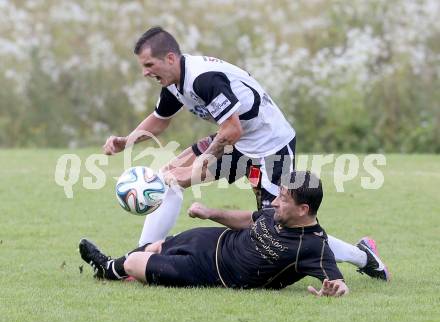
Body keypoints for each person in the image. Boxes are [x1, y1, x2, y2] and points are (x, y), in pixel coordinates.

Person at [102, 27, 389, 281]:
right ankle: (137, 257)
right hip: (239, 140)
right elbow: (160, 119)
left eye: (149, 64)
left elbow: (231, 131)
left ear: (170, 59)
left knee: (278, 224)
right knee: (168, 179)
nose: (145, 72)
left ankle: (364, 257)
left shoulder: (204, 79)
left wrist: (202, 163)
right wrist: (125, 142)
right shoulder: (174, 82)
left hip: (270, 145)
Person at [80, 171, 349, 296]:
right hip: (211, 239)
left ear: (303, 209)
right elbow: (247, 218)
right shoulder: (277, 212)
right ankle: (106, 267)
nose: (275, 203)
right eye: (278, 195)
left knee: (135, 262)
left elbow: (339, 283)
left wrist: (335, 291)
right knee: (154, 247)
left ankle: (113, 268)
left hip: (215, 273)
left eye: (283, 199)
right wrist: (210, 213)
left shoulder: (314, 245)